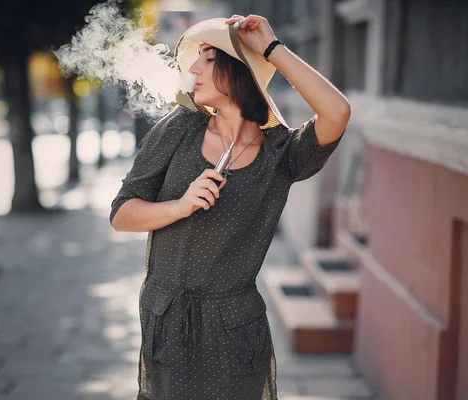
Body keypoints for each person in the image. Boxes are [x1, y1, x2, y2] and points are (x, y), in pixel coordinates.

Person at [110, 14, 350, 400]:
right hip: (167, 321)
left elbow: (337, 112)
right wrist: (181, 206)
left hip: (234, 333)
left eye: (208, 57)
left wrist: (271, 50)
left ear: (238, 70)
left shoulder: (282, 153)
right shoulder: (180, 127)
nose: (193, 68)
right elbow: (121, 215)